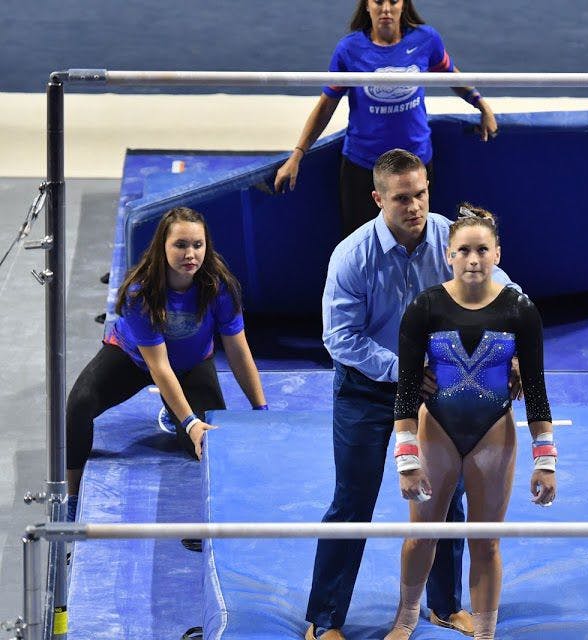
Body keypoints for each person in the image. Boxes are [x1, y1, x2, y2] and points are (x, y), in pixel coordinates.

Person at [305, 149, 517, 640]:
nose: (415, 206)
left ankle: (443, 606)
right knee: (352, 500)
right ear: (378, 198)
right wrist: (406, 368)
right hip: (367, 388)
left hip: (433, 392)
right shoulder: (352, 256)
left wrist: (516, 347)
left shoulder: (450, 238)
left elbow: (500, 287)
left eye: (421, 193)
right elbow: (340, 338)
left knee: (447, 498)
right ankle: (325, 620)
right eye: (402, 198)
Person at [384, 204, 556, 640]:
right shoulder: (425, 307)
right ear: (449, 255)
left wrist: (546, 461)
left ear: (498, 253)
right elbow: (405, 393)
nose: (474, 259)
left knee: (485, 542)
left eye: (482, 249)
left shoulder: (520, 310)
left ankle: (485, 632)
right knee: (422, 535)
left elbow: (535, 392)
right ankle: (405, 620)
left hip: (493, 434)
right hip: (435, 429)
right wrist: (407, 462)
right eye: (464, 250)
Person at [65, 206, 267, 521]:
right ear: (163, 246)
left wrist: (261, 411)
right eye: (181, 245)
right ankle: (71, 499)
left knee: (205, 445)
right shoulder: (141, 292)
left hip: (190, 365)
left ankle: (173, 408)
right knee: (79, 404)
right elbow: (159, 367)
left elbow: (240, 353)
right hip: (134, 361)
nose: (191, 253)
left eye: (198, 245)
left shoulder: (219, 287)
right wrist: (189, 422)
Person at [273, 0, 499, 238]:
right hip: (364, 168)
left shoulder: (426, 40)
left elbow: (449, 75)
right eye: (378, 2)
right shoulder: (349, 50)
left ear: (404, 5)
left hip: (415, 165)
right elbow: (325, 106)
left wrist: (481, 104)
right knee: (361, 245)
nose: (386, 9)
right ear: (367, 6)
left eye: (393, 1)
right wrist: (297, 154)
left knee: (417, 242)